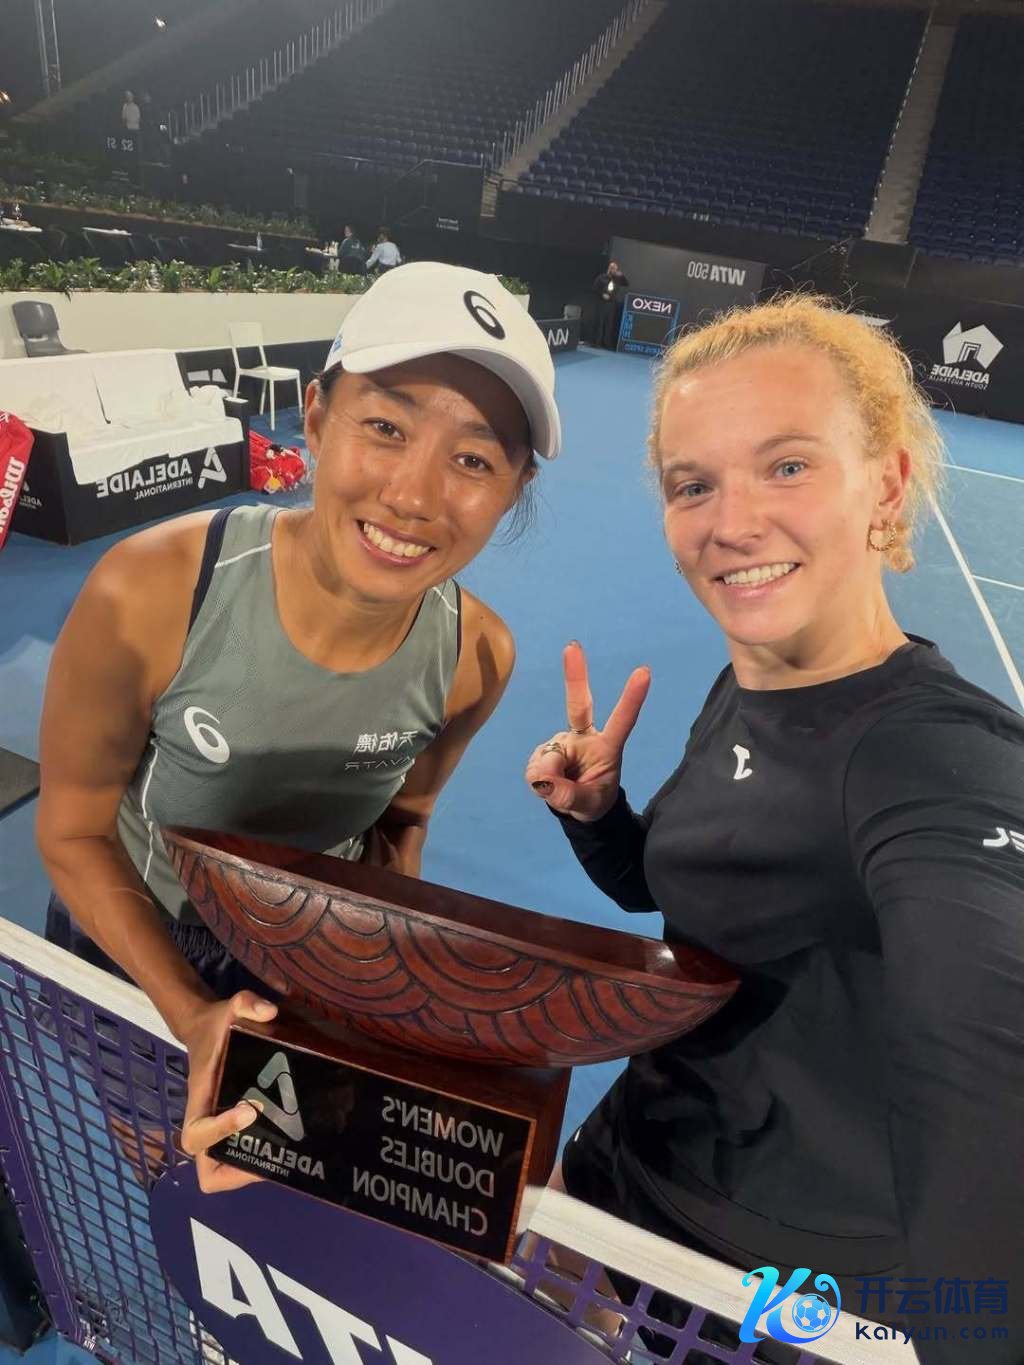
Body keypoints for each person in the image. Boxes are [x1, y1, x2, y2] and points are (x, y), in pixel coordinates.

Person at [525, 295, 1024, 1362]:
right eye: (692, 484)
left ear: (885, 484)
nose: (732, 522)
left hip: (778, 1287)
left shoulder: (942, 760)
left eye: (787, 465)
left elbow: (984, 1094)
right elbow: (684, 893)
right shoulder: (742, 686)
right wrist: (601, 818)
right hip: (629, 1163)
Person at [37, 261, 561, 1195]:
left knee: (277, 1182)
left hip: (311, 954)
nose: (414, 496)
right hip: (137, 930)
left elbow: (402, 821)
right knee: (160, 1155)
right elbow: (72, 832)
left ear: (515, 488)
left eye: (475, 460)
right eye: (386, 427)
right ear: (315, 418)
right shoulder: (151, 589)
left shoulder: (477, 656)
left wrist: (382, 979)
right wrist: (191, 1012)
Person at [591, 258, 629, 349]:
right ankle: (597, 343)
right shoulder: (601, 277)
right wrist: (602, 294)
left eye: (615, 268)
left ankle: (607, 343)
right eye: (612, 268)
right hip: (602, 303)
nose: (613, 270)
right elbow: (594, 288)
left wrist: (622, 275)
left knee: (609, 324)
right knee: (600, 323)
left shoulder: (618, 279)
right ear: (609, 268)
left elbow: (626, 284)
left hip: (612, 304)